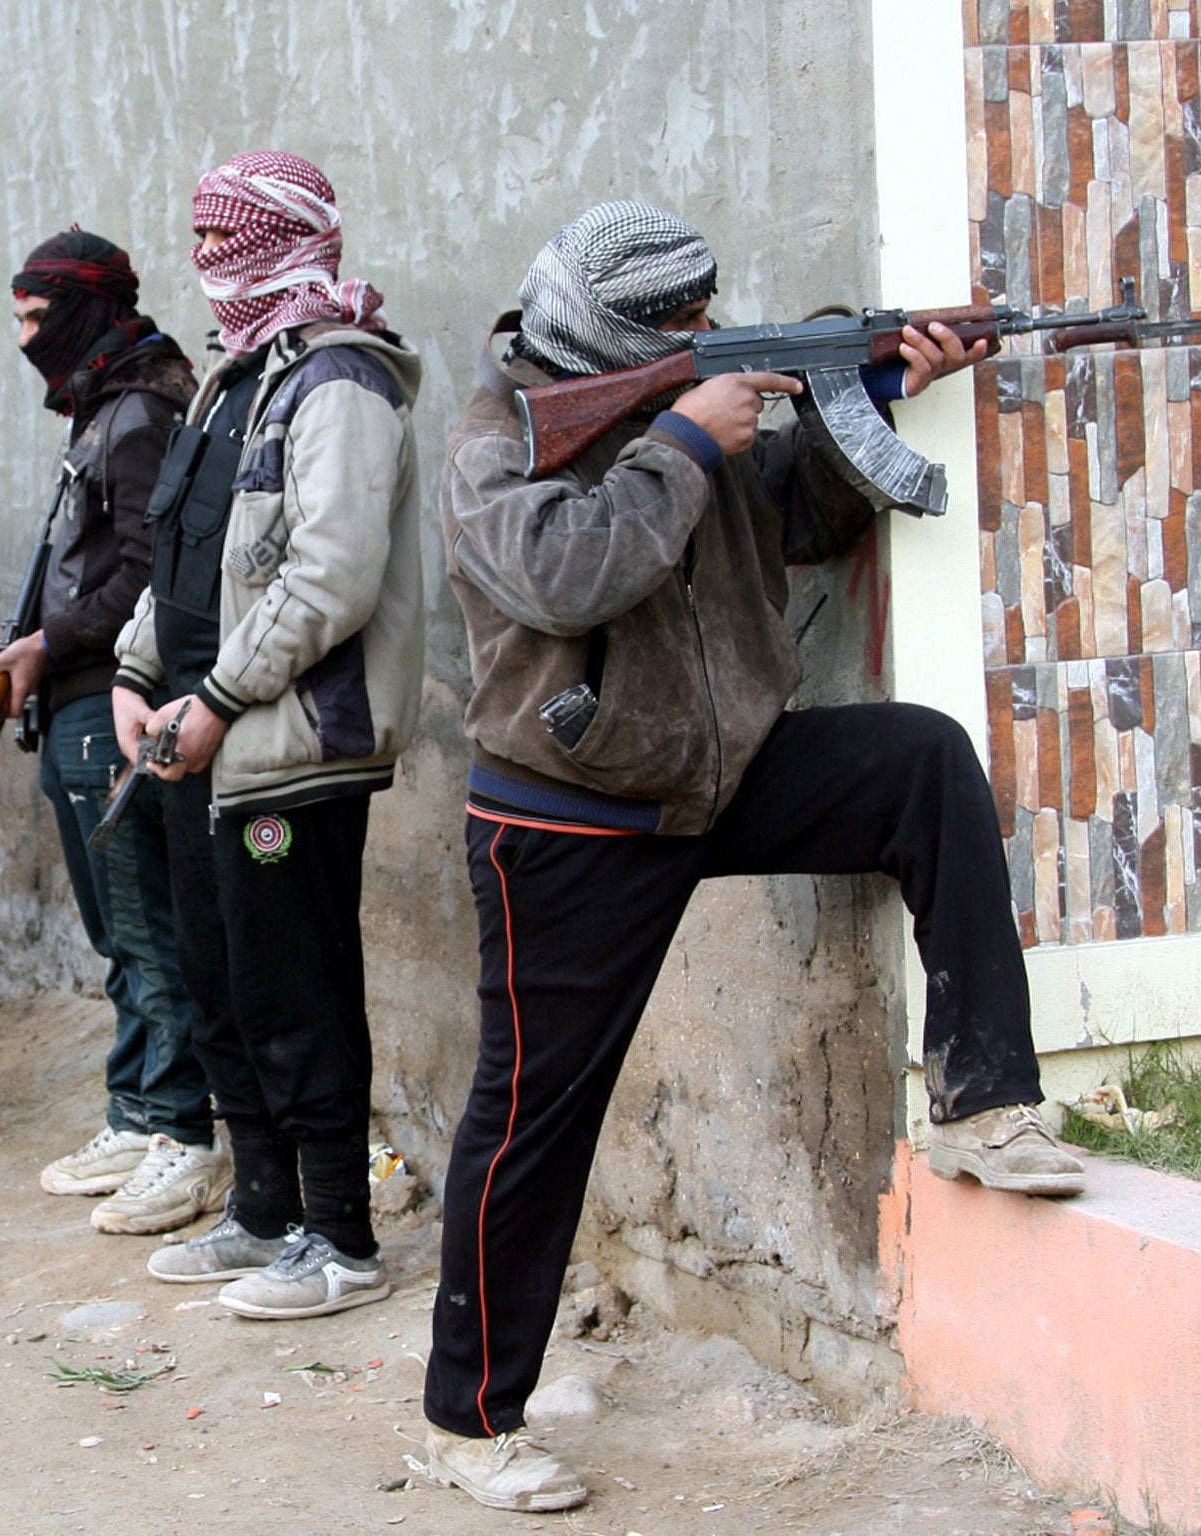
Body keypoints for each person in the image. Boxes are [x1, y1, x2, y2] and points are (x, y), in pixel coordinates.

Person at [418, 201, 1084, 1512]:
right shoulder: (501, 428)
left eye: (713, 314)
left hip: (722, 769)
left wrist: (875, 392)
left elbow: (784, 518)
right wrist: (679, 440)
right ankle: (468, 1422)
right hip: (571, 812)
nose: (710, 335)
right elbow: (562, 578)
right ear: (619, 330)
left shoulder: (689, 396)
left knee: (922, 766)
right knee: (531, 1121)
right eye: (684, 324)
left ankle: (983, 1101)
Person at [110, 151, 424, 1316]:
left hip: (284, 742)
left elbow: (331, 574)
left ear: (285, 236)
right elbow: (184, 552)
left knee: (294, 990)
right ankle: (261, 1211)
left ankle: (340, 1238)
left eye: (223, 237)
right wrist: (140, 671)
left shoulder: (339, 379)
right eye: (194, 238)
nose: (204, 262)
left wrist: (217, 700)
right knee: (220, 981)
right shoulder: (233, 378)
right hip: (196, 740)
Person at [0, 229, 224, 1235]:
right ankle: (136, 1112)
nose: (25, 339)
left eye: (38, 318)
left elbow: (152, 574)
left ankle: (181, 1134)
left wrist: (51, 639)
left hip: (113, 701)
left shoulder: (136, 414)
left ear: (84, 308)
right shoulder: (106, 407)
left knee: (144, 929)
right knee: (118, 933)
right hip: (78, 698)